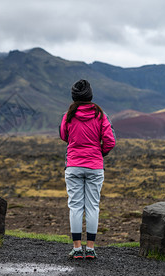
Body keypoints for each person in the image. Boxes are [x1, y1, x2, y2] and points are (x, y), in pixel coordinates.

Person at [59, 79, 116, 259]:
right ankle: (90, 249)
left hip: (74, 165)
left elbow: (63, 135)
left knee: (75, 206)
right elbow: (110, 141)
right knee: (93, 206)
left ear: (74, 96)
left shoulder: (68, 115)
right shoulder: (100, 115)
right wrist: (100, 153)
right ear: (90, 95)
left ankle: (77, 249)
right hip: (95, 166)